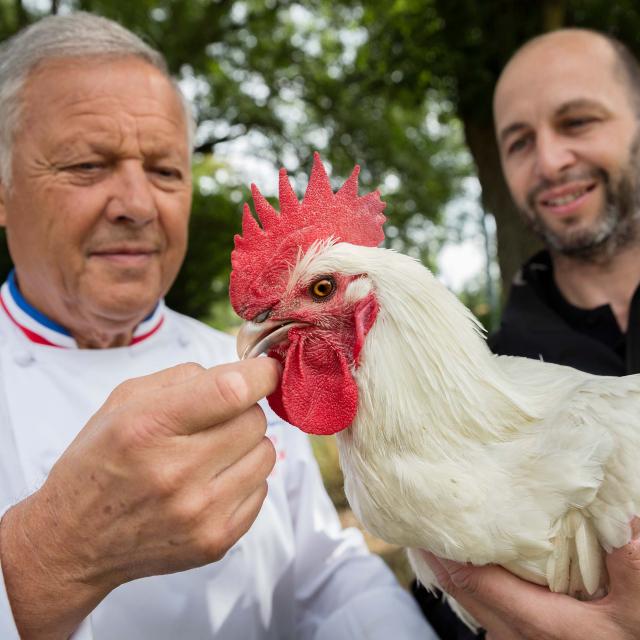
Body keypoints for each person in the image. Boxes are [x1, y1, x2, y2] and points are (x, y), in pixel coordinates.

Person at [0, 12, 436, 640]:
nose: (137, 205)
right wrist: (44, 560)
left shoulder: (247, 362)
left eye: (166, 170)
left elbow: (320, 571)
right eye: (87, 166)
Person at [413, 28, 640, 640]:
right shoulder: (467, 391)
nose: (549, 161)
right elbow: (451, 606)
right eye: (519, 142)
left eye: (578, 121)